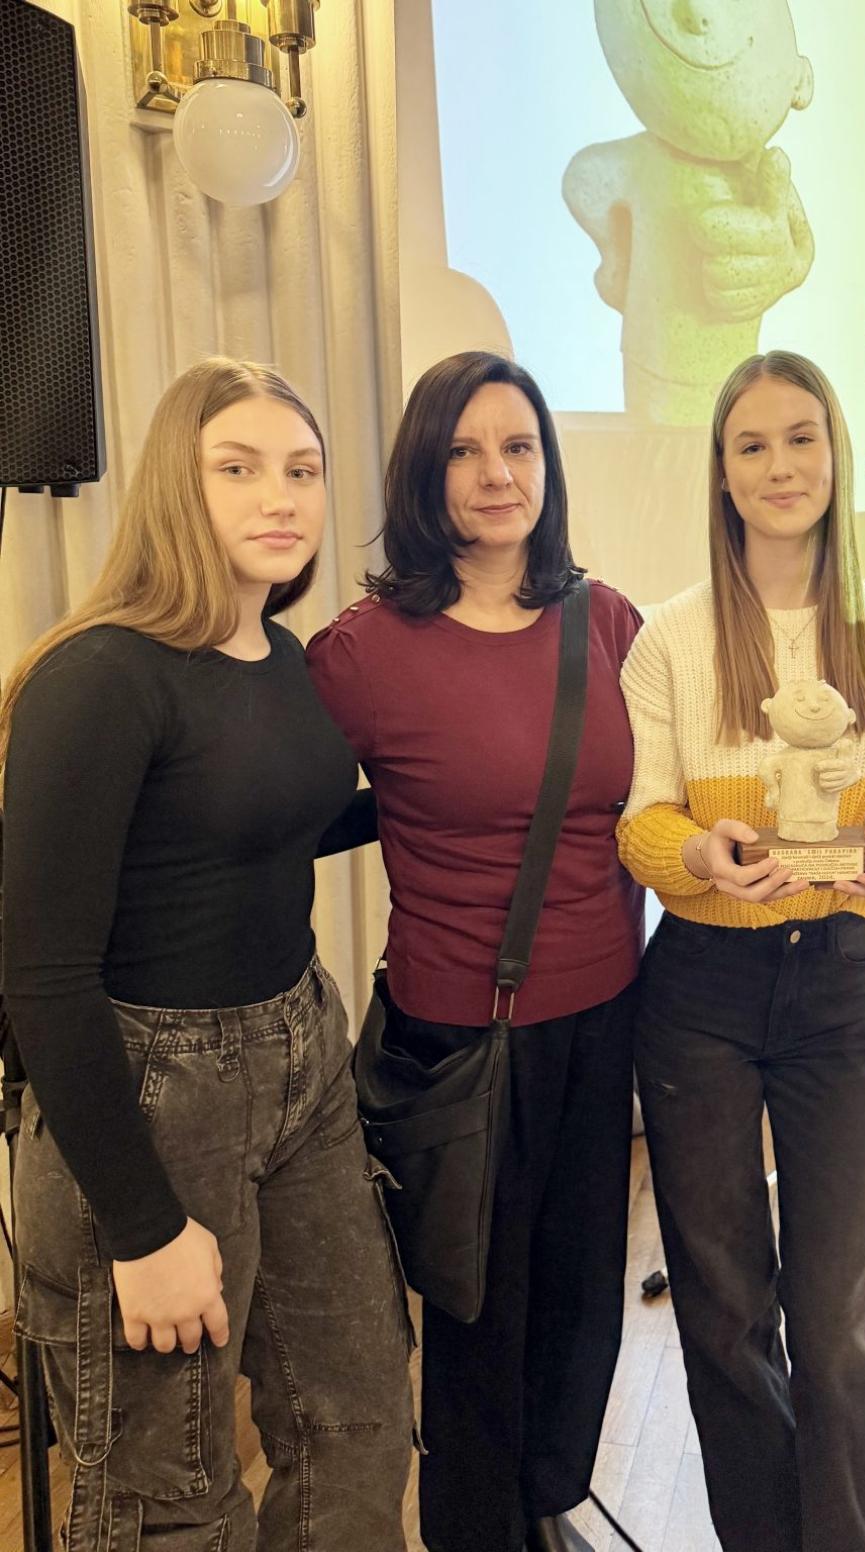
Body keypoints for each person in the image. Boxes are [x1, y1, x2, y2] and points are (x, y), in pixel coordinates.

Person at [1, 359, 412, 1551]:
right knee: (167, 1490)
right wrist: (141, 1227)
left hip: (300, 1056)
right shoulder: (99, 675)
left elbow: (247, 829)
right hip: (148, 1090)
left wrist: (444, 800)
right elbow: (42, 976)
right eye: (238, 468)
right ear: (176, 486)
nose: (279, 496)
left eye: (302, 470)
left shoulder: (279, 656)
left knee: (356, 1418)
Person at [306, 350, 643, 1552]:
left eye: (519, 446)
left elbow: (659, 802)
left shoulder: (605, 620)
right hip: (460, 1037)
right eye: (464, 450)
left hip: (605, 1015)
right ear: (424, 471)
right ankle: (474, 1530)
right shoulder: (362, 652)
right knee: (476, 1314)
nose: (498, 474)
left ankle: (544, 1504)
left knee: (581, 1298)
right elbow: (270, 799)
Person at [617, 350, 865, 1552]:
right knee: (722, 1312)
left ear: (836, 452)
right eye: (751, 444)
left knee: (837, 1316)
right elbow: (642, 823)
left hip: (834, 988)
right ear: (721, 472)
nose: (780, 465)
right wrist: (700, 855)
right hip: (699, 993)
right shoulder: (669, 637)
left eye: (801, 437)